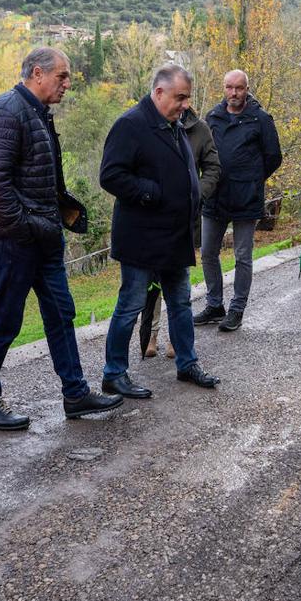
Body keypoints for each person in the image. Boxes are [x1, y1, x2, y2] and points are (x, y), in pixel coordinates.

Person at [0, 47, 123, 431]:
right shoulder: (6, 112)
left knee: (61, 312)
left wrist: (50, 223)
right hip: (16, 240)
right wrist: (27, 227)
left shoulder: (37, 113)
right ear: (37, 73)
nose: (68, 84)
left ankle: (75, 393)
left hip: (43, 238)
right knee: (5, 320)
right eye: (62, 76)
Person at [100, 63, 220, 396]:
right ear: (159, 92)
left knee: (180, 302)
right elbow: (110, 175)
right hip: (141, 235)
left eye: (187, 98)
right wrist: (153, 192)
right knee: (131, 305)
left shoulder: (173, 124)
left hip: (174, 235)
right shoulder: (130, 125)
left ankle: (187, 363)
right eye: (180, 97)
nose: (185, 105)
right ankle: (114, 372)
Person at [194, 69, 283, 331]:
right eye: (229, 87)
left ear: (247, 89)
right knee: (208, 252)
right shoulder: (213, 116)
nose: (233, 93)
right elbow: (203, 154)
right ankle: (214, 305)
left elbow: (273, 157)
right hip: (215, 197)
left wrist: (252, 178)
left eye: (239, 88)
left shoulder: (261, 118)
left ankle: (237, 309)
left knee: (243, 256)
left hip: (247, 197)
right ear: (223, 88)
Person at [138, 104, 221, 358]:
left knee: (177, 280)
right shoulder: (147, 124)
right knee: (152, 283)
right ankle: (152, 334)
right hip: (152, 217)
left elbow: (213, 167)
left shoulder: (199, 129)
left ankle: (177, 340)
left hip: (184, 218)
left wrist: (197, 194)